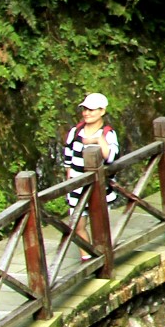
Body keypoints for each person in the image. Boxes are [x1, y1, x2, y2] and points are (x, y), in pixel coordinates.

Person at [61, 92, 120, 256]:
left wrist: (97, 141)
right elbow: (68, 159)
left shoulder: (108, 134)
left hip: (98, 189)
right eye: (85, 109)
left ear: (102, 111)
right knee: (77, 226)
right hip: (77, 188)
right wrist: (68, 183)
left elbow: (111, 156)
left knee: (100, 227)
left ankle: (103, 258)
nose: (87, 113)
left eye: (91, 110)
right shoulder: (75, 131)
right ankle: (86, 257)